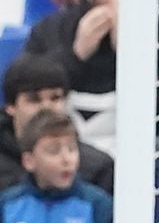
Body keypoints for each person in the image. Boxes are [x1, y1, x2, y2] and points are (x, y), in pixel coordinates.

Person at [22, 0, 118, 155]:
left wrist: (129, 55)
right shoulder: (51, 29)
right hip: (63, 151)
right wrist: (76, 54)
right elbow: (25, 89)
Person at [0, 109, 111, 223]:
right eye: (54, 151)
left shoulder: (98, 204)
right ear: (29, 161)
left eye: (72, 149)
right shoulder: (7, 204)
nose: (66, 159)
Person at [0, 54, 113, 194]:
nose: (46, 107)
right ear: (10, 107)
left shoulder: (97, 168)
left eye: (55, 98)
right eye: (34, 99)